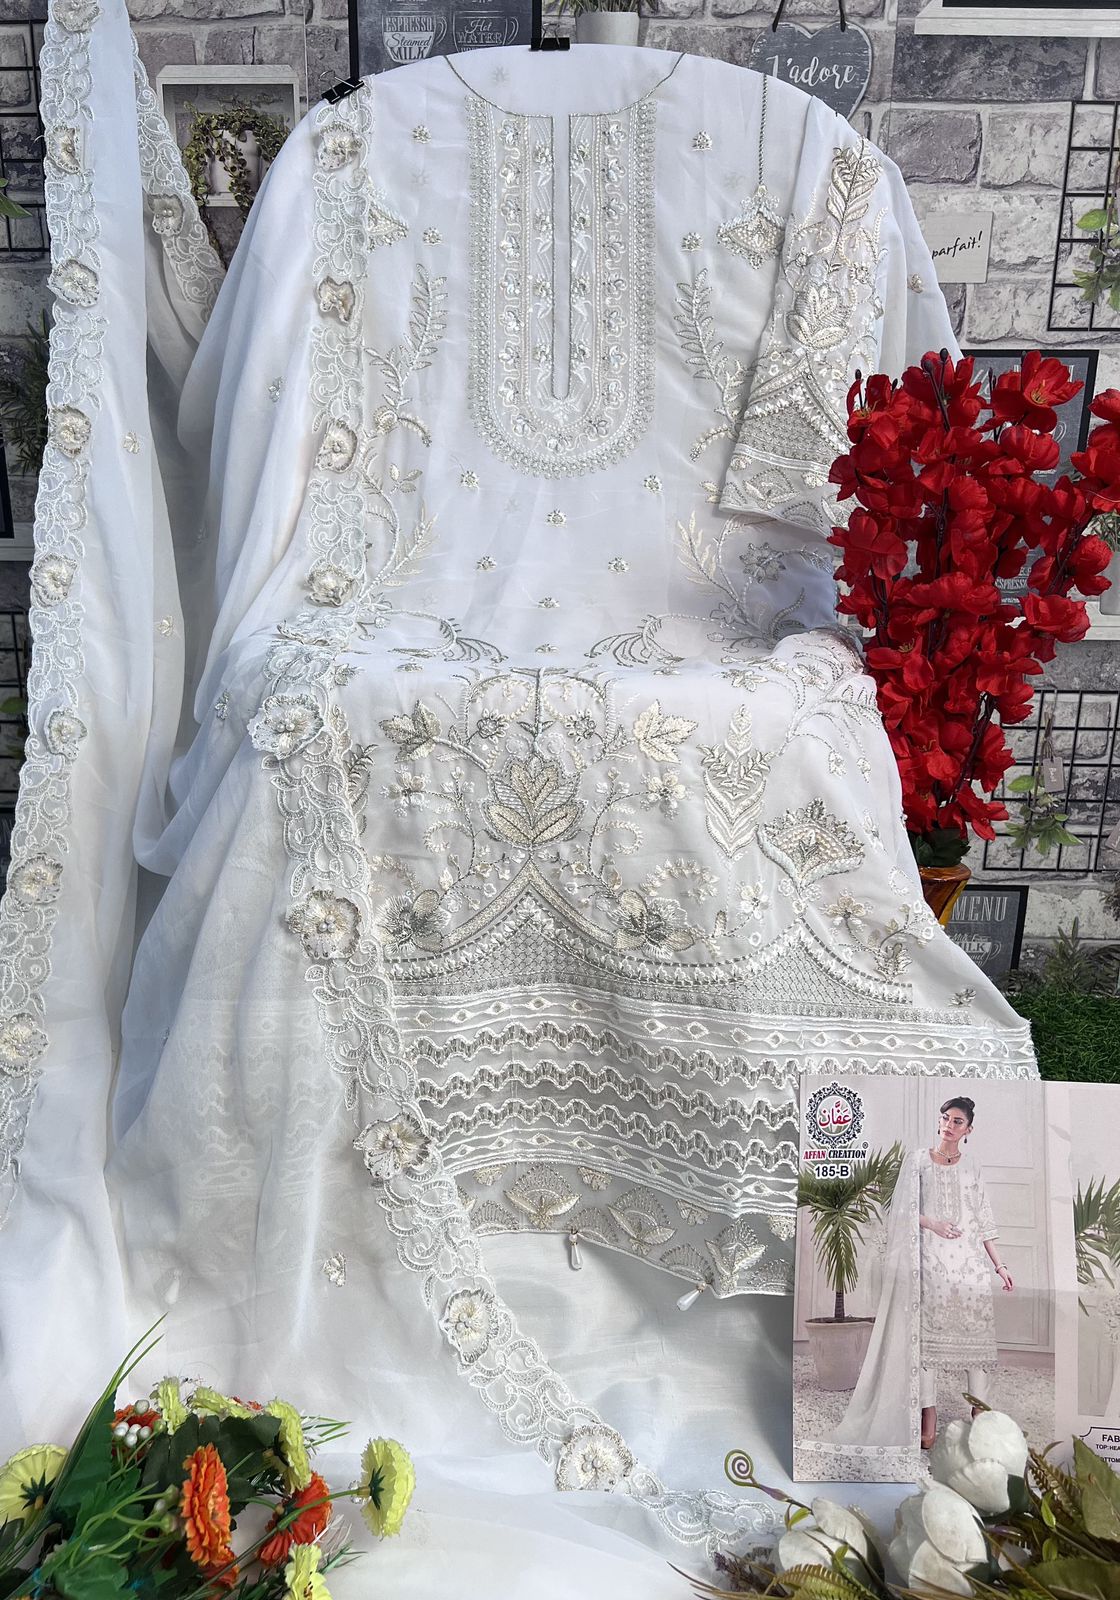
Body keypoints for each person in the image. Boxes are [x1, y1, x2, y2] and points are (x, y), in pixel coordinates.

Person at [917, 1097, 1014, 1448]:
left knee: (976, 1340)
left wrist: (999, 1265)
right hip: (931, 1262)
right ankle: (928, 1415)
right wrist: (933, 1224)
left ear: (968, 1129)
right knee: (927, 1343)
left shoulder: (972, 1166)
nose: (949, 1125)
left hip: (970, 1264)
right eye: (945, 1118)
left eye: (957, 1121)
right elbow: (902, 1209)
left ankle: (979, 1410)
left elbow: (983, 1218)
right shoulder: (918, 1161)